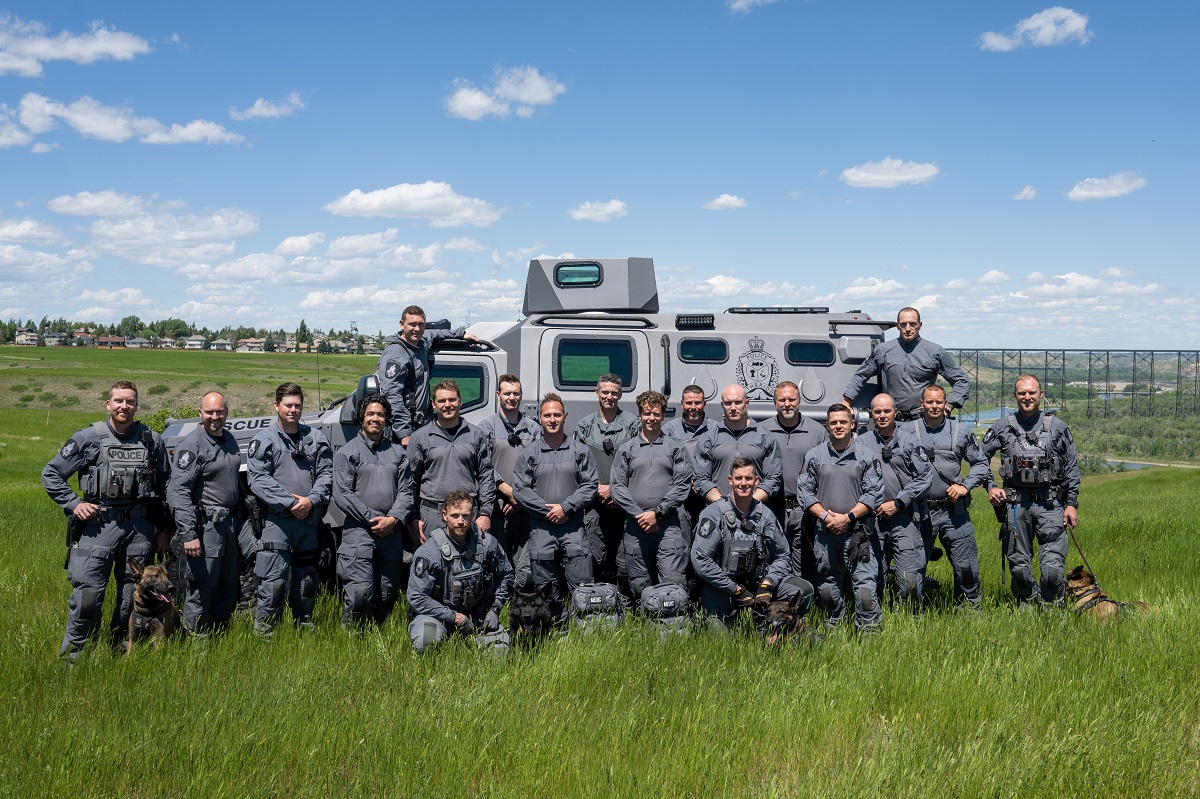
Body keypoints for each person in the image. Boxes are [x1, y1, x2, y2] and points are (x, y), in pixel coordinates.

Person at [43, 380, 170, 659]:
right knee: (87, 596)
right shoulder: (88, 438)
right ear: (108, 404)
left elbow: (164, 488)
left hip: (139, 528)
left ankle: (120, 654)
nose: (125, 406)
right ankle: (74, 661)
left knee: (130, 598)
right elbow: (51, 474)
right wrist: (75, 504)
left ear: (137, 405)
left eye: (130, 401)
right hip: (97, 527)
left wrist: (164, 530)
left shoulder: (152, 440)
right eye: (119, 401)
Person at [982, 375, 1081, 605]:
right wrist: (991, 487)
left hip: (1051, 505)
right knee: (1019, 569)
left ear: (1041, 394)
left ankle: (1052, 611)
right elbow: (979, 459)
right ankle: (1025, 610)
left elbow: (1071, 467)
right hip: (1015, 506)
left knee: (1052, 571)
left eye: (1032, 393)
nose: (1027, 397)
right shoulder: (1002, 427)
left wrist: (1071, 503)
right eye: (1022, 393)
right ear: (1015, 396)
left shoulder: (1057, 427)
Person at [246, 383, 333, 636]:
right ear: (276, 406)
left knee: (306, 584)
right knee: (272, 585)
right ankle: (264, 638)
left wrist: (311, 501)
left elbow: (326, 474)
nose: (293, 410)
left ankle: (303, 633)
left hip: (308, 522)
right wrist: (291, 503)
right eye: (288, 405)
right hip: (277, 522)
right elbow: (258, 479)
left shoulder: (316, 439)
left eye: (297, 405)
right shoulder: (264, 440)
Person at [690, 458, 812, 631]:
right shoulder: (713, 514)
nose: (743, 483)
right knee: (721, 642)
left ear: (756, 481)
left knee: (803, 589)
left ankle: (782, 631)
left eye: (748, 478)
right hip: (723, 587)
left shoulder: (766, 515)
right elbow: (700, 559)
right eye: (739, 478)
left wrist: (768, 583)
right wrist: (735, 589)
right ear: (730, 480)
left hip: (757, 584)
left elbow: (783, 556)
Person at [798, 403, 884, 631]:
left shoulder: (865, 455)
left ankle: (869, 631)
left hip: (856, 533)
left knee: (865, 587)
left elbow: (874, 492)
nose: (838, 426)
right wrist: (826, 516)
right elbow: (804, 492)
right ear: (827, 425)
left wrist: (848, 517)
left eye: (843, 422)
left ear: (852, 424)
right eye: (833, 422)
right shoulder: (814, 455)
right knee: (827, 586)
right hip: (825, 533)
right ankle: (834, 625)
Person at [165, 391, 242, 637]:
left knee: (229, 587)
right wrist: (189, 534)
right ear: (200, 413)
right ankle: (196, 643)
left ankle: (219, 639)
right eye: (209, 412)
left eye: (219, 411)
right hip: (206, 527)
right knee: (202, 589)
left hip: (229, 526)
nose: (214, 417)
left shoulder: (228, 439)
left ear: (226, 412)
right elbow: (178, 492)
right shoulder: (192, 444)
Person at [512, 393, 598, 607]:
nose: (552, 419)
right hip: (541, 527)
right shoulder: (529, 454)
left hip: (573, 525)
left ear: (565, 417)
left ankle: (583, 628)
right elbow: (520, 490)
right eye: (547, 415)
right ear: (539, 418)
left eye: (557, 415)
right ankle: (554, 629)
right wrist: (548, 511)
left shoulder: (580, 451)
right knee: (545, 588)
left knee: (582, 583)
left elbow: (590, 485)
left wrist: (566, 508)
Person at [911, 384, 991, 608]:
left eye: (939, 402)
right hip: (920, 513)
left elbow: (981, 464)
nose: (934, 406)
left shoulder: (960, 432)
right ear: (922, 404)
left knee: (966, 568)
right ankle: (911, 615)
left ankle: (969, 614)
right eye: (929, 402)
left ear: (946, 404)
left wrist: (965, 486)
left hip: (954, 512)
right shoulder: (907, 432)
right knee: (912, 571)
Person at [609, 391, 693, 602]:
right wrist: (641, 515)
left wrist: (657, 513)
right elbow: (617, 487)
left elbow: (682, 486)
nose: (651, 418)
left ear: (663, 416)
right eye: (647, 413)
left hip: (669, 524)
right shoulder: (627, 449)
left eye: (656, 414)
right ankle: (645, 624)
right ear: (640, 415)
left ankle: (673, 626)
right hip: (636, 525)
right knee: (638, 581)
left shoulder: (676, 448)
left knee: (673, 580)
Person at [332, 394, 407, 627]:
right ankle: (352, 642)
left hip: (391, 533)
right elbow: (342, 494)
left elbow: (406, 491)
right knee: (360, 595)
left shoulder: (398, 453)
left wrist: (393, 519)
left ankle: (379, 640)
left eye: (381, 414)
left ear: (387, 419)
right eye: (371, 414)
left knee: (386, 593)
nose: (376, 418)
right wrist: (374, 519)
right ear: (362, 418)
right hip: (359, 532)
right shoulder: (347, 452)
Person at [406, 492, 513, 652]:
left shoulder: (487, 543)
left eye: (465, 516)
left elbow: (507, 575)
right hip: (438, 616)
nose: (460, 521)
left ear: (473, 515)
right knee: (426, 641)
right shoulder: (429, 551)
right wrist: (454, 617)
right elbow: (417, 597)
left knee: (500, 654)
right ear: (444, 515)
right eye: (455, 516)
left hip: (478, 616)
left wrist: (495, 609)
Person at [856, 393, 933, 610]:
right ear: (871, 414)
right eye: (877, 411)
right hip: (873, 520)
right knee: (875, 576)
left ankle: (910, 620)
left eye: (886, 411)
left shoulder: (909, 441)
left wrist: (898, 502)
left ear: (895, 412)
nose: (882, 415)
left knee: (909, 578)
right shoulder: (861, 442)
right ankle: (878, 619)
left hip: (904, 518)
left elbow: (925, 477)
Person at [399, 379, 495, 547]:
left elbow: (486, 476)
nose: (447, 405)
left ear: (460, 402)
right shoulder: (420, 437)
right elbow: (409, 481)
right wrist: (413, 519)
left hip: (466, 514)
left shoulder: (476, 435)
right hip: (432, 514)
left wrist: (485, 513)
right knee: (432, 567)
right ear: (433, 404)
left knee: (468, 567)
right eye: (442, 401)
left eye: (452, 400)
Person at [842, 307, 970, 420]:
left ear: (920, 325)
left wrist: (949, 406)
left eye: (912, 324)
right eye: (903, 324)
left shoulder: (935, 352)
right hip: (893, 422)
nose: (908, 328)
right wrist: (846, 403)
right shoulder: (883, 350)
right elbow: (861, 375)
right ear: (898, 326)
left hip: (924, 421)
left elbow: (962, 380)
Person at [573, 373, 641, 586]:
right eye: (605, 392)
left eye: (614, 392)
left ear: (620, 394)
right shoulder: (584, 426)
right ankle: (595, 600)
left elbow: (638, 464)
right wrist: (598, 488)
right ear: (597, 393)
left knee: (625, 557)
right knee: (594, 554)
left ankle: (624, 603)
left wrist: (614, 489)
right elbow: (578, 467)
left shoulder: (633, 425)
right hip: (594, 501)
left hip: (625, 502)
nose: (609, 396)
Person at [375, 305, 477, 446]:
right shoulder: (395, 355)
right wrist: (404, 433)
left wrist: (462, 335)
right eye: (412, 324)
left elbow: (437, 333)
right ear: (401, 324)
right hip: (406, 430)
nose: (417, 329)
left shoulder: (421, 343)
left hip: (423, 423)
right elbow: (392, 395)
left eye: (421, 324)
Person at [760, 381, 828, 582]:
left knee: (805, 561)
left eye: (791, 399)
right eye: (782, 400)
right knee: (773, 557)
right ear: (775, 402)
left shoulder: (817, 432)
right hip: (773, 507)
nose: (787, 404)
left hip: (804, 509)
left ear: (799, 401)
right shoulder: (762, 431)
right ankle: (774, 603)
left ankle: (802, 605)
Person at [475, 374, 540, 559]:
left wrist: (519, 499)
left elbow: (540, 467)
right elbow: (483, 466)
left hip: (526, 508)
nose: (512, 397)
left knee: (524, 568)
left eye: (516, 393)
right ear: (498, 395)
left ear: (521, 395)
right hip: (497, 507)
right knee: (497, 561)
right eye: (507, 393)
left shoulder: (533, 429)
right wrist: (509, 493)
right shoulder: (486, 427)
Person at [693, 383, 783, 506]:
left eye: (738, 402)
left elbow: (773, 477)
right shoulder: (708, 438)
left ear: (747, 402)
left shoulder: (764, 437)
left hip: (756, 512)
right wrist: (723, 504)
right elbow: (701, 478)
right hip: (719, 511)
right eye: (728, 403)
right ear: (722, 405)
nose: (733, 407)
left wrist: (751, 503)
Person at [661, 383, 713, 544]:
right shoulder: (669, 429)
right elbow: (664, 461)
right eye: (689, 403)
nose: (693, 407)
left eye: (697, 403)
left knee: (706, 537)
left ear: (704, 404)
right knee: (681, 539)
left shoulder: (715, 429)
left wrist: (702, 483)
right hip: (678, 494)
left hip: (706, 493)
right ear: (682, 404)